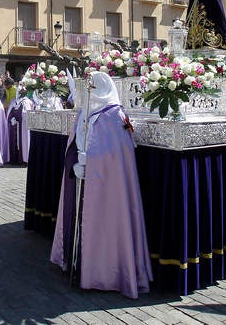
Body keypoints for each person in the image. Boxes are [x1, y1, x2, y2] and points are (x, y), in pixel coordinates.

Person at [50, 72, 152, 299]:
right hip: (83, 179)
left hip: (107, 186)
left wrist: (93, 161)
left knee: (103, 222)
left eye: (94, 87)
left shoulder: (116, 115)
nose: (90, 91)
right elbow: (74, 141)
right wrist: (75, 161)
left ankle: (102, 271)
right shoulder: (83, 113)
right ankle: (77, 263)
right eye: (89, 87)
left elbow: (121, 150)